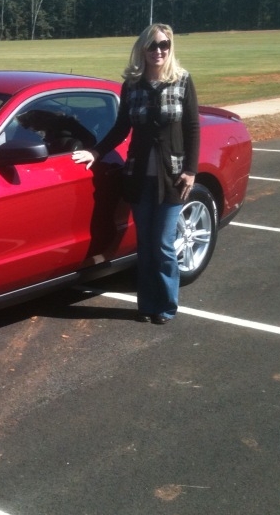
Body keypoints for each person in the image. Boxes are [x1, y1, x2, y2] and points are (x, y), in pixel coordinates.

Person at [72, 23, 200, 325]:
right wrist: (96, 152)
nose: (159, 50)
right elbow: (121, 127)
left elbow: (192, 127)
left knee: (163, 244)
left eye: (164, 45)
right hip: (139, 177)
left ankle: (166, 306)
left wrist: (191, 170)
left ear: (170, 48)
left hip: (173, 178)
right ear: (142, 48)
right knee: (145, 244)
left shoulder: (182, 80)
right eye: (153, 45)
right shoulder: (132, 85)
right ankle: (147, 304)